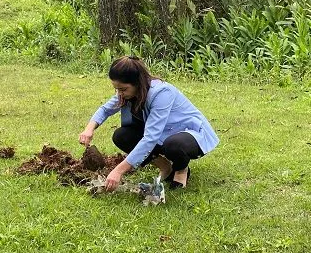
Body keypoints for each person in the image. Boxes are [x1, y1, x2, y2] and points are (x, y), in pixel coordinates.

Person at [78, 56, 219, 192]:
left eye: (122, 89)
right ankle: (166, 167)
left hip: (189, 133)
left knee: (174, 145)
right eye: (116, 89)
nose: (119, 94)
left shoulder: (162, 93)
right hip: (163, 135)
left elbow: (150, 138)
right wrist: (89, 129)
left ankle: (181, 170)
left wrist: (118, 171)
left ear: (138, 82)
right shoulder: (127, 93)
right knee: (122, 136)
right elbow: (105, 109)